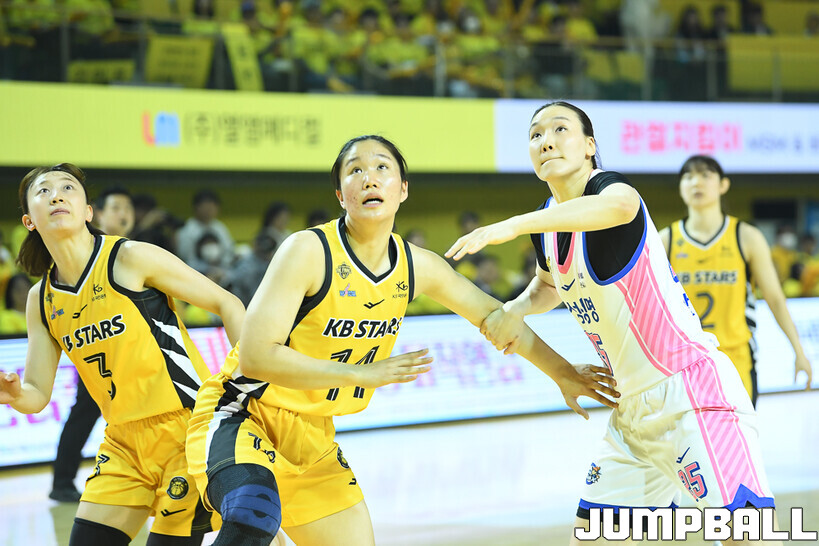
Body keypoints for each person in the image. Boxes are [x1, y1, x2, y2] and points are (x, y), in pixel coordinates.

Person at [185, 135, 619, 546]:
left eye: (381, 168)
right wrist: (362, 374)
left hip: (314, 438)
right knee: (253, 515)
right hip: (243, 415)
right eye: (355, 171)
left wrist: (562, 372)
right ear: (340, 195)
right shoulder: (307, 250)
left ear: (403, 189)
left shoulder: (417, 266)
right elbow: (256, 357)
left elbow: (496, 318)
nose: (369, 178)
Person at [446, 101, 781, 544]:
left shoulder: (610, 189)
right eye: (535, 134)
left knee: (748, 535)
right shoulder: (547, 224)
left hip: (690, 392)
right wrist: (516, 309)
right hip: (630, 414)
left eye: (559, 129)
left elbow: (622, 207)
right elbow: (548, 284)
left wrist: (511, 225)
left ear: (590, 146)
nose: (545, 140)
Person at [0, 163, 245, 545]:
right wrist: (14, 394)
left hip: (186, 431)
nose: (57, 195)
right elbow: (37, 393)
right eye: (43, 191)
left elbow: (227, 303)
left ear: (88, 212)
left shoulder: (130, 257)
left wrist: (248, 383)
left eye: (68, 188)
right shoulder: (41, 299)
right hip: (122, 444)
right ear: (29, 220)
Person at [660, 155, 813, 406]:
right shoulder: (665, 240)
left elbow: (775, 299)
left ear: (723, 185)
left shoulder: (746, 237)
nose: (696, 182)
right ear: (680, 187)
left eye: (705, 175)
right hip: (684, 364)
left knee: (740, 432)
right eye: (688, 177)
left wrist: (799, 350)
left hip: (736, 359)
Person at [49, 185, 137, 503]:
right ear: (96, 214)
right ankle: (62, 480)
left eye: (128, 208)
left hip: (134, 351)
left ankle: (140, 478)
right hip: (98, 348)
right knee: (85, 412)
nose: (123, 214)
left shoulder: (136, 252)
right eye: (116, 207)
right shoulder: (85, 252)